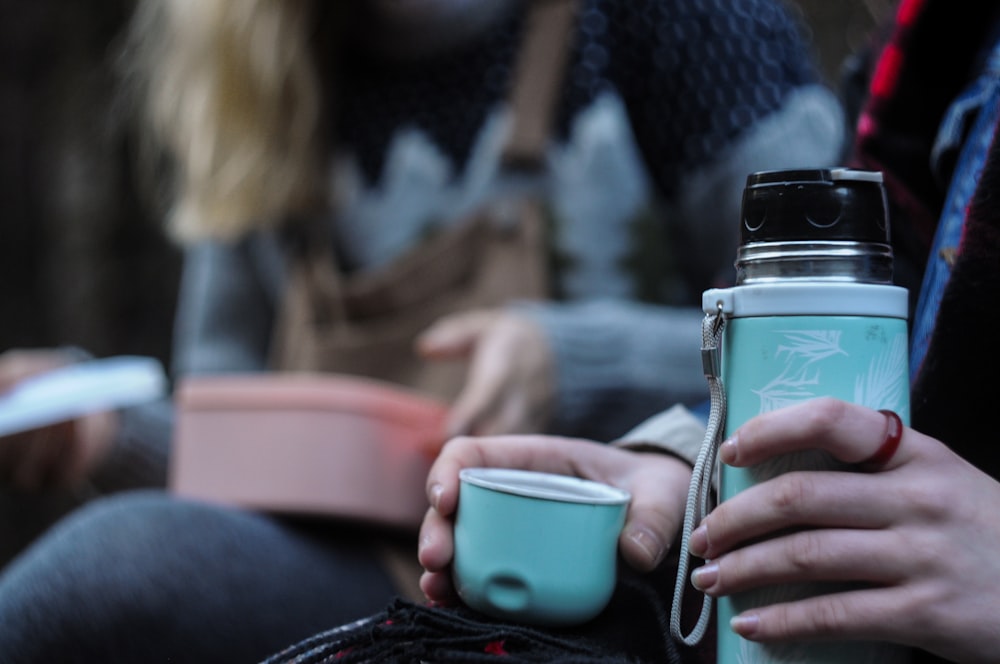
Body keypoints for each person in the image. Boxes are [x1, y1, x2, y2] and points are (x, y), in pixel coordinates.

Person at [0, 0, 844, 661]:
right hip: (368, 568)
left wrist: (578, 360)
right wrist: (106, 428)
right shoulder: (254, 69)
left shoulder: (684, 25)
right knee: (107, 570)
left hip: (635, 575)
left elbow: (845, 349)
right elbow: (237, 440)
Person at [332, 0, 999, 661]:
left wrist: (578, 362)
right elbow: (891, 325)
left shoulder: (692, 25)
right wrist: (686, 460)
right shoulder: (939, 38)